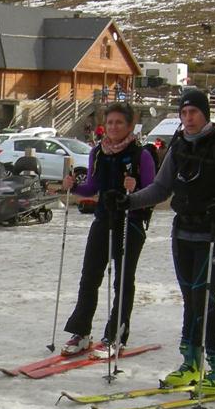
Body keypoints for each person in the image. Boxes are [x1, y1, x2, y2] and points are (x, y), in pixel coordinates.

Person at [105, 89, 215, 394]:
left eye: (193, 112)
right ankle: (191, 363)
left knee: (205, 301)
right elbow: (160, 188)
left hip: (214, 236)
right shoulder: (179, 146)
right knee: (190, 301)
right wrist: (129, 201)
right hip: (182, 233)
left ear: (205, 114)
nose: (188, 118)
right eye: (183, 113)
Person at [58, 102, 156, 357]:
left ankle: (116, 335)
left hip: (130, 222)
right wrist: (73, 186)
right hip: (103, 219)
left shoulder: (141, 155)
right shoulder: (98, 153)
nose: (113, 127)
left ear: (130, 126)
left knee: (122, 280)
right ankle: (81, 332)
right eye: (110, 122)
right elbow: (92, 187)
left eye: (119, 122)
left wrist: (136, 189)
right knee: (89, 276)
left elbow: (154, 193)